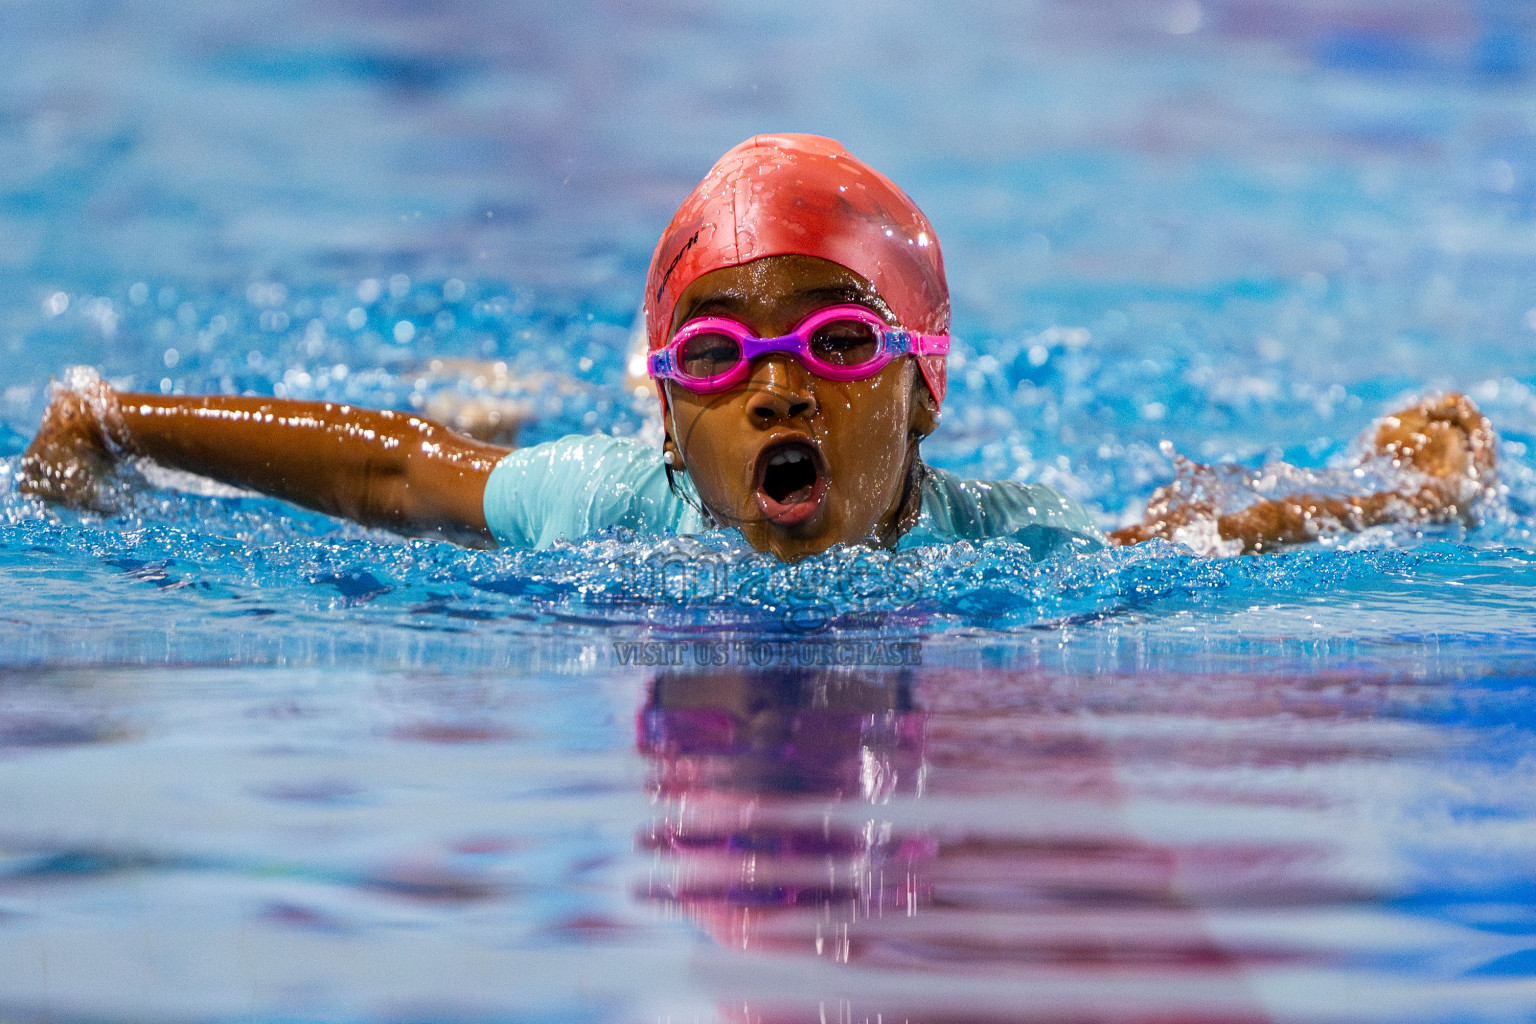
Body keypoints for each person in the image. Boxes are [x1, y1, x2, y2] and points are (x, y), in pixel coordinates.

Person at [16, 134, 1498, 561]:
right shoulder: (614, 499)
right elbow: (397, 474)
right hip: (582, 445)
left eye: (837, 340)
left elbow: (1210, 535)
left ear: (924, 389)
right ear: (671, 419)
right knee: (479, 432)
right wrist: (121, 418)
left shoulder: (1003, 542)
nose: (777, 383)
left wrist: (1398, 489)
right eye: (716, 355)